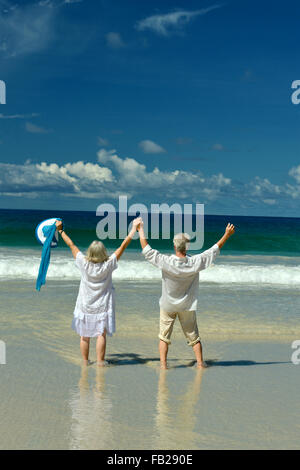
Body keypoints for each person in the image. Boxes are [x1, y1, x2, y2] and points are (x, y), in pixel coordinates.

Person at [137, 221, 235, 369]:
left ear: (174, 246)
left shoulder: (166, 261)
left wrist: (140, 230)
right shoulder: (195, 262)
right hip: (187, 305)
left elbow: (147, 250)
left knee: (164, 336)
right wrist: (226, 235)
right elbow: (214, 250)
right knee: (194, 337)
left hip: (168, 304)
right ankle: (200, 363)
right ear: (187, 247)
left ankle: (163, 365)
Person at [55, 217, 142, 366]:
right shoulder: (108, 264)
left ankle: (85, 361)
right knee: (101, 334)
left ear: (89, 252)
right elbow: (123, 246)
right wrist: (134, 229)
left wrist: (61, 230)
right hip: (102, 306)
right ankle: (101, 361)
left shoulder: (83, 262)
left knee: (84, 336)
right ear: (103, 252)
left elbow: (71, 244)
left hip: (85, 305)